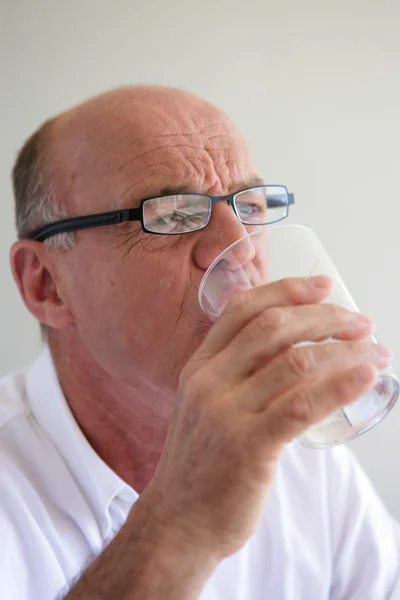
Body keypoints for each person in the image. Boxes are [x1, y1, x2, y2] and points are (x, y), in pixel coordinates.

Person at [1, 85, 400, 600]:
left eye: (251, 207)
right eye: (171, 214)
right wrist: (180, 524)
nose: (236, 251)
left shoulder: (298, 438)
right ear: (47, 284)